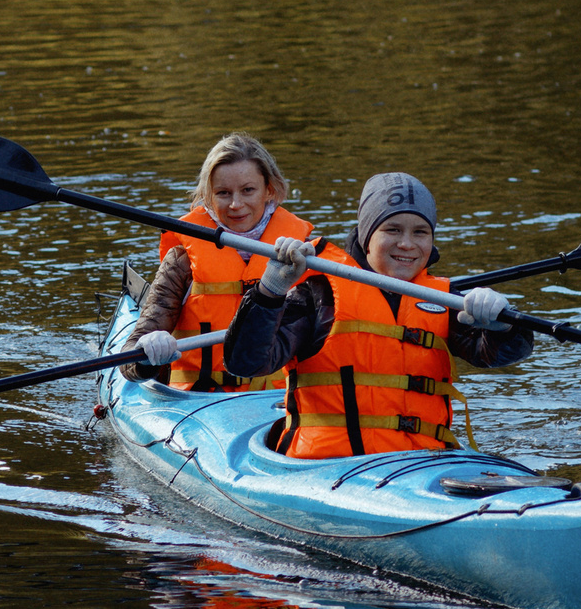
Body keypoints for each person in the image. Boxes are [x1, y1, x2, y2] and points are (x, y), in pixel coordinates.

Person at [213, 172, 535, 456]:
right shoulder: (319, 294)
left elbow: (498, 356)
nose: (407, 244)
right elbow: (246, 364)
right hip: (330, 467)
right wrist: (269, 292)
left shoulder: (442, 299)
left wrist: (503, 326)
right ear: (367, 236)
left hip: (424, 462)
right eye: (392, 229)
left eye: (420, 232)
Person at [124, 134, 314, 390]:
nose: (236, 204)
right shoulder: (182, 260)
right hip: (199, 399)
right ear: (208, 195)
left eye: (248, 190)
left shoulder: (301, 255)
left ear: (269, 190)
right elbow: (129, 362)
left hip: (278, 400)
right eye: (223, 193)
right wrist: (147, 353)